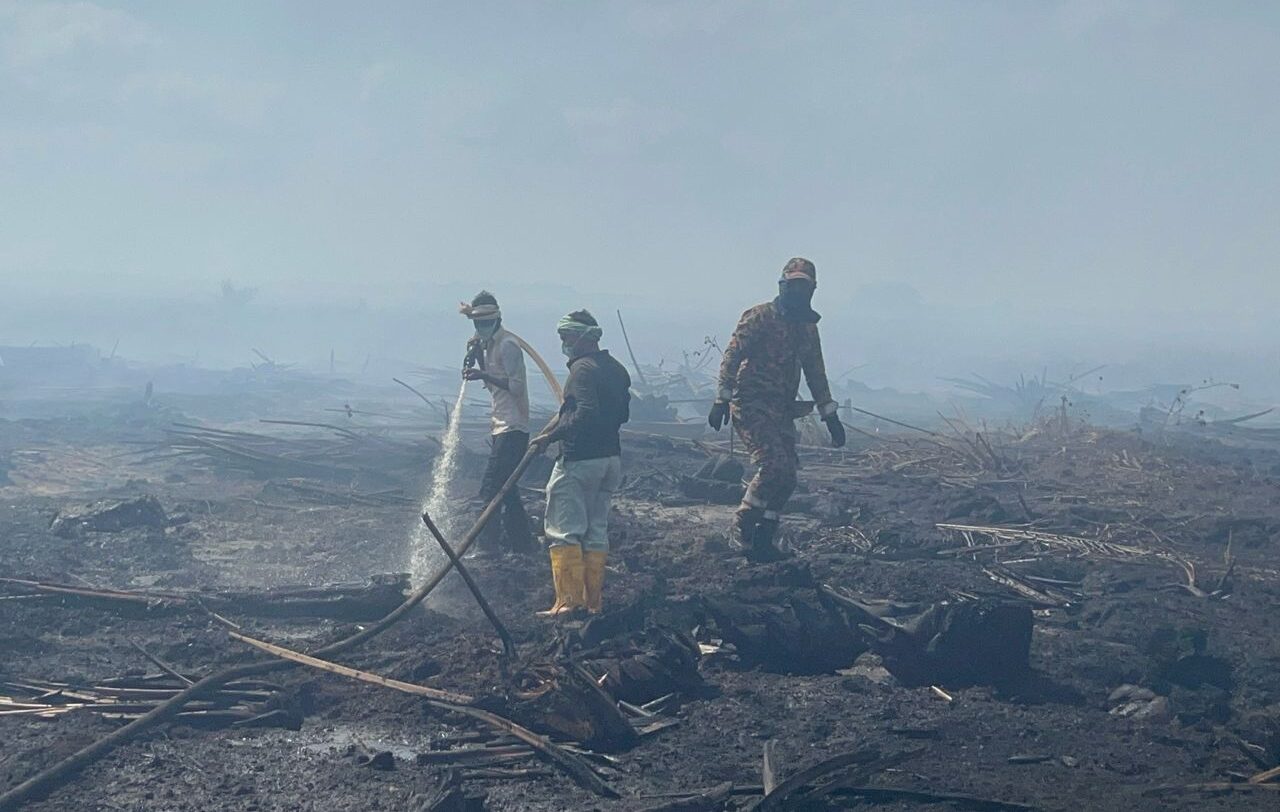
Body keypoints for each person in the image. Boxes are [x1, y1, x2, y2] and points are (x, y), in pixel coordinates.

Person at [708, 257, 846, 562]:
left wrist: (830, 414)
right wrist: (722, 398)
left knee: (788, 477)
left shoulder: (807, 328)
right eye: (792, 285)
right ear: (782, 285)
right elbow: (732, 355)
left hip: (782, 409)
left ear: (812, 290)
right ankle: (742, 526)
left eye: (803, 286)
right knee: (773, 467)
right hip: (751, 403)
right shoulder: (759, 317)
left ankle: (764, 536)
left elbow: (815, 371)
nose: (797, 291)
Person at [534, 310, 631, 616]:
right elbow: (622, 414)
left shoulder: (582, 370)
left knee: (564, 530)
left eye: (566, 337)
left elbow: (585, 412)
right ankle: (592, 604)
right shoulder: (617, 369)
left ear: (583, 337)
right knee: (595, 531)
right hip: (610, 460)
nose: (563, 343)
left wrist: (553, 437)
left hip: (580, 460)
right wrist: (551, 430)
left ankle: (568, 603)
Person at [459, 291, 536, 555]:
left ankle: (486, 547)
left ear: (497, 319)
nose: (482, 327)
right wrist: (476, 357)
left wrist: (482, 373)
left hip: (513, 426)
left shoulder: (508, 345)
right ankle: (523, 546)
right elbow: (491, 382)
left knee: (490, 488)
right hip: (500, 425)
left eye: (486, 322)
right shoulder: (487, 345)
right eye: (477, 323)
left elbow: (516, 387)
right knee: (508, 491)